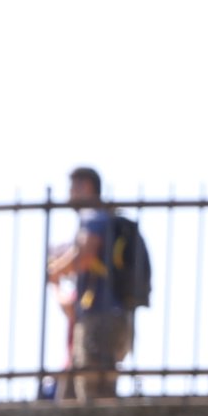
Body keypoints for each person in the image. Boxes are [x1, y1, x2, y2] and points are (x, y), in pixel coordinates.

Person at [44, 167, 141, 401]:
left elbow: (84, 255)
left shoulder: (93, 217)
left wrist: (56, 269)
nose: (69, 196)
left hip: (100, 320)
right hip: (112, 319)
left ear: (86, 187)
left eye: (73, 189)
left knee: (95, 396)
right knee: (75, 394)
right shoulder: (105, 219)